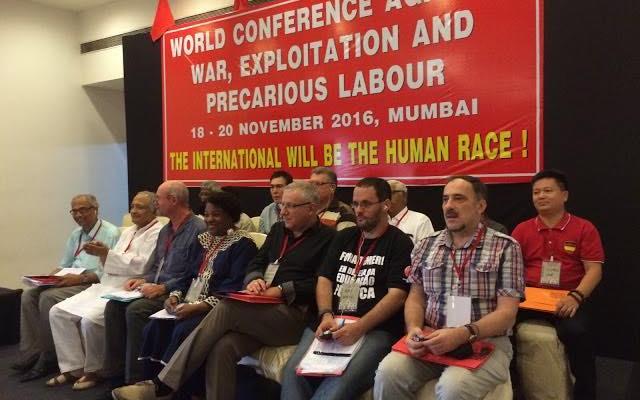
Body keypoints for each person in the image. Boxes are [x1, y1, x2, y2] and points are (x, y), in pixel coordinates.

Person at [111, 181, 335, 400]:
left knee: (227, 307)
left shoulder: (329, 238)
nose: (283, 211)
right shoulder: (278, 230)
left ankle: (163, 386)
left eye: (290, 206)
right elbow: (257, 263)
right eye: (282, 205)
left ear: (311, 208)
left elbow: (323, 281)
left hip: (293, 315)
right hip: (261, 309)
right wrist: (255, 278)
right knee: (222, 348)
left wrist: (281, 290)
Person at [374, 176, 525, 400]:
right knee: (388, 373)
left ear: (480, 206)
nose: (449, 206)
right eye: (445, 199)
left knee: (453, 388)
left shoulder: (505, 247)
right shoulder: (426, 245)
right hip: (431, 338)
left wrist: (464, 333)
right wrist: (413, 329)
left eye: (459, 199)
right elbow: (415, 298)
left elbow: (507, 313)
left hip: (485, 341)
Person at [281, 177, 413, 399]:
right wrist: (325, 314)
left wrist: (360, 327)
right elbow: (324, 278)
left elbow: (397, 296)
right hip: (331, 321)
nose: (358, 210)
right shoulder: (344, 237)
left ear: (386, 205)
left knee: (337, 386)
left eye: (366, 204)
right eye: (355, 203)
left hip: (374, 329)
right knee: (293, 374)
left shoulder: (400, 243)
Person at [136, 191, 257, 383]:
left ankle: (173, 388)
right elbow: (187, 276)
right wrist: (174, 296)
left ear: (231, 216)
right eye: (207, 215)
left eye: (216, 215)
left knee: (183, 330)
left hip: (217, 309)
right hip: (189, 302)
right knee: (155, 326)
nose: (209, 219)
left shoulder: (243, 244)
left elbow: (234, 286)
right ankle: (148, 383)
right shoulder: (202, 240)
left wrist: (200, 306)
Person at [47, 191, 162, 389]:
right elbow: (110, 261)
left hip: (127, 287)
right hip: (106, 283)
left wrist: (106, 254)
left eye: (140, 207)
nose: (134, 211)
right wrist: (103, 254)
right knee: (57, 312)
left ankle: (95, 371)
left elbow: (141, 265)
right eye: (132, 206)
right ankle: (74, 368)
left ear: (154, 210)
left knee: (89, 320)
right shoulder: (128, 231)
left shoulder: (158, 232)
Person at [102, 181, 206, 388]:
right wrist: (144, 279)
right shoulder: (165, 231)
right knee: (113, 306)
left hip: (179, 291)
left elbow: (195, 273)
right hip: (156, 288)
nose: (156, 203)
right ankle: (114, 375)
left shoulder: (198, 229)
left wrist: (163, 288)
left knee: (136, 310)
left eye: (158, 198)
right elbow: (158, 266)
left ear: (173, 200)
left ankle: (137, 380)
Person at [511, 169, 604, 400]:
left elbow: (594, 270)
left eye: (547, 191)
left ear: (564, 195)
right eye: (536, 192)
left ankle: (585, 393)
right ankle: (511, 387)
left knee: (577, 333)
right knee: (501, 326)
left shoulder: (584, 228)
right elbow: (512, 269)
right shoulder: (522, 229)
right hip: (529, 298)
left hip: (568, 298)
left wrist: (576, 297)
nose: (541, 196)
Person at [14, 194, 119, 382]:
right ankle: (32, 353)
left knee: (47, 298)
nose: (78, 215)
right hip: (71, 279)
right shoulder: (76, 234)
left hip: (91, 281)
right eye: (74, 211)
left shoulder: (111, 233)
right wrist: (49, 278)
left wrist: (80, 278)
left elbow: (110, 270)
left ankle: (48, 357)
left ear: (95, 209)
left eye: (83, 210)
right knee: (29, 295)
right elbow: (65, 264)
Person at [387, 179, 434, 244]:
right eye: (384, 194)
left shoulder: (421, 220)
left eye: (391, 193)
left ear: (404, 196)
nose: (386, 197)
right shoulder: (380, 220)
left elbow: (428, 248)